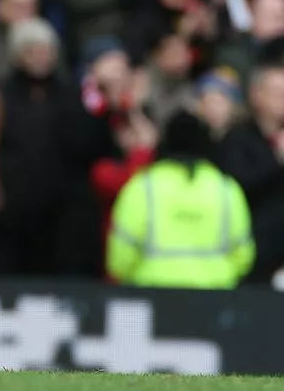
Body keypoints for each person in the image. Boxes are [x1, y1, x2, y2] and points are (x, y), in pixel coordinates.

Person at [108, 112, 254, 288]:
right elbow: (244, 256)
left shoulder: (142, 187)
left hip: (154, 297)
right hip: (214, 301)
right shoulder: (226, 188)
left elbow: (119, 260)